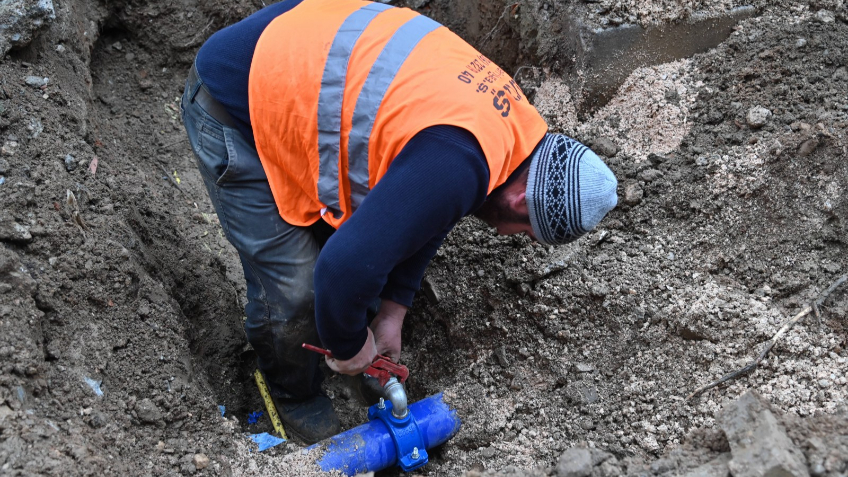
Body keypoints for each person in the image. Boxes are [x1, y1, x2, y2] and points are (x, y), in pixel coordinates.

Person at [180, 0, 618, 444]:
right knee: (297, 290)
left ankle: (343, 345)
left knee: (361, 271)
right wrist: (351, 349)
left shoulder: (513, 133)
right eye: (524, 227)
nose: (508, 233)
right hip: (237, 97)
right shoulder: (459, 160)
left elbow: (432, 211)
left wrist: (393, 309)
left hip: (307, 66)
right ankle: (291, 394)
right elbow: (340, 269)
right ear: (522, 196)